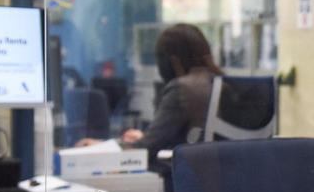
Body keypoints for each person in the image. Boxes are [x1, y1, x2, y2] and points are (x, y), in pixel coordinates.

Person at [77, 24, 221, 161]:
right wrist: (147, 136)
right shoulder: (219, 82)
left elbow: (144, 150)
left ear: (172, 61)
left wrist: (102, 147)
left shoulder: (182, 88)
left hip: (185, 176)